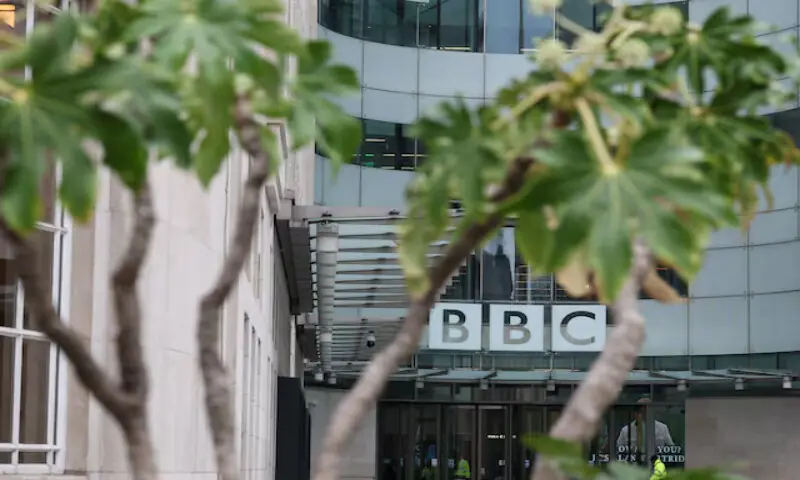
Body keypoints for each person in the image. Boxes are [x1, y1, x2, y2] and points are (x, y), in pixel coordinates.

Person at [616, 398, 674, 462]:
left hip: (657, 463)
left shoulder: (662, 428)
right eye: (640, 411)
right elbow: (618, 451)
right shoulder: (626, 430)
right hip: (633, 465)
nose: (643, 413)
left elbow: (671, 448)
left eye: (646, 410)